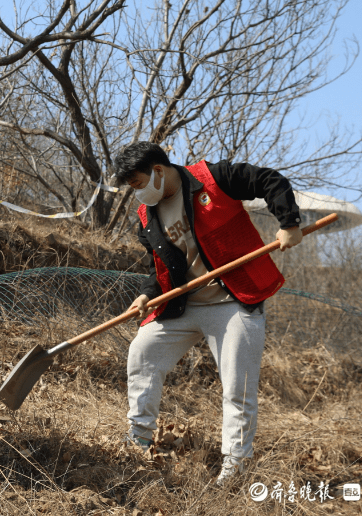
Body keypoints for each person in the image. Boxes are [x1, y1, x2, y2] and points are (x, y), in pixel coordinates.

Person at [111, 141, 303, 486]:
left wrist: (289, 222)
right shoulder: (147, 218)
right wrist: (146, 294)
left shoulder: (213, 179)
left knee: (237, 386)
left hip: (233, 302)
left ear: (157, 170)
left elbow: (269, 180)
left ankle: (235, 465)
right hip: (184, 306)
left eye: (138, 184)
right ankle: (138, 439)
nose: (136, 193)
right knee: (143, 351)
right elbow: (164, 269)